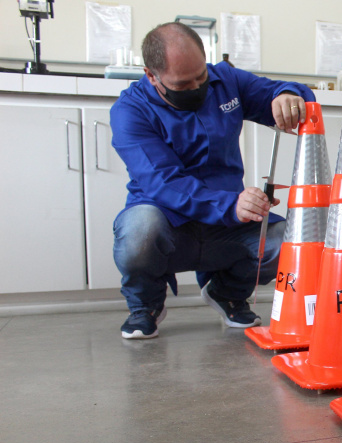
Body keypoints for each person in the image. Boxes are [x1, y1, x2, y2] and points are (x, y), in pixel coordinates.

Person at [110, 22, 315, 339]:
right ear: (152, 75)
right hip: (168, 219)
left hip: (227, 223)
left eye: (200, 77)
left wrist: (286, 95)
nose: (196, 88)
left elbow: (282, 91)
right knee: (139, 233)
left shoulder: (225, 79)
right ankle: (145, 306)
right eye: (182, 84)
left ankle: (228, 292)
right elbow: (163, 182)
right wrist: (230, 204)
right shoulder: (130, 111)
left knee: (291, 244)